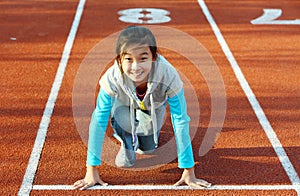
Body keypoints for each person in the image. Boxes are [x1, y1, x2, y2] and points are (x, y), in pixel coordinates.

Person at [73, 26, 211, 190]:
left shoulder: (169, 76)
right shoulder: (112, 77)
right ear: (119, 60)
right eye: (129, 59)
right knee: (125, 156)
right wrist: (91, 170)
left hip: (154, 107)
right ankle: (126, 139)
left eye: (143, 58)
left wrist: (189, 170)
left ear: (154, 57)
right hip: (124, 107)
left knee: (148, 148)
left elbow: (180, 120)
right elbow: (99, 119)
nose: (136, 67)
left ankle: (144, 132)